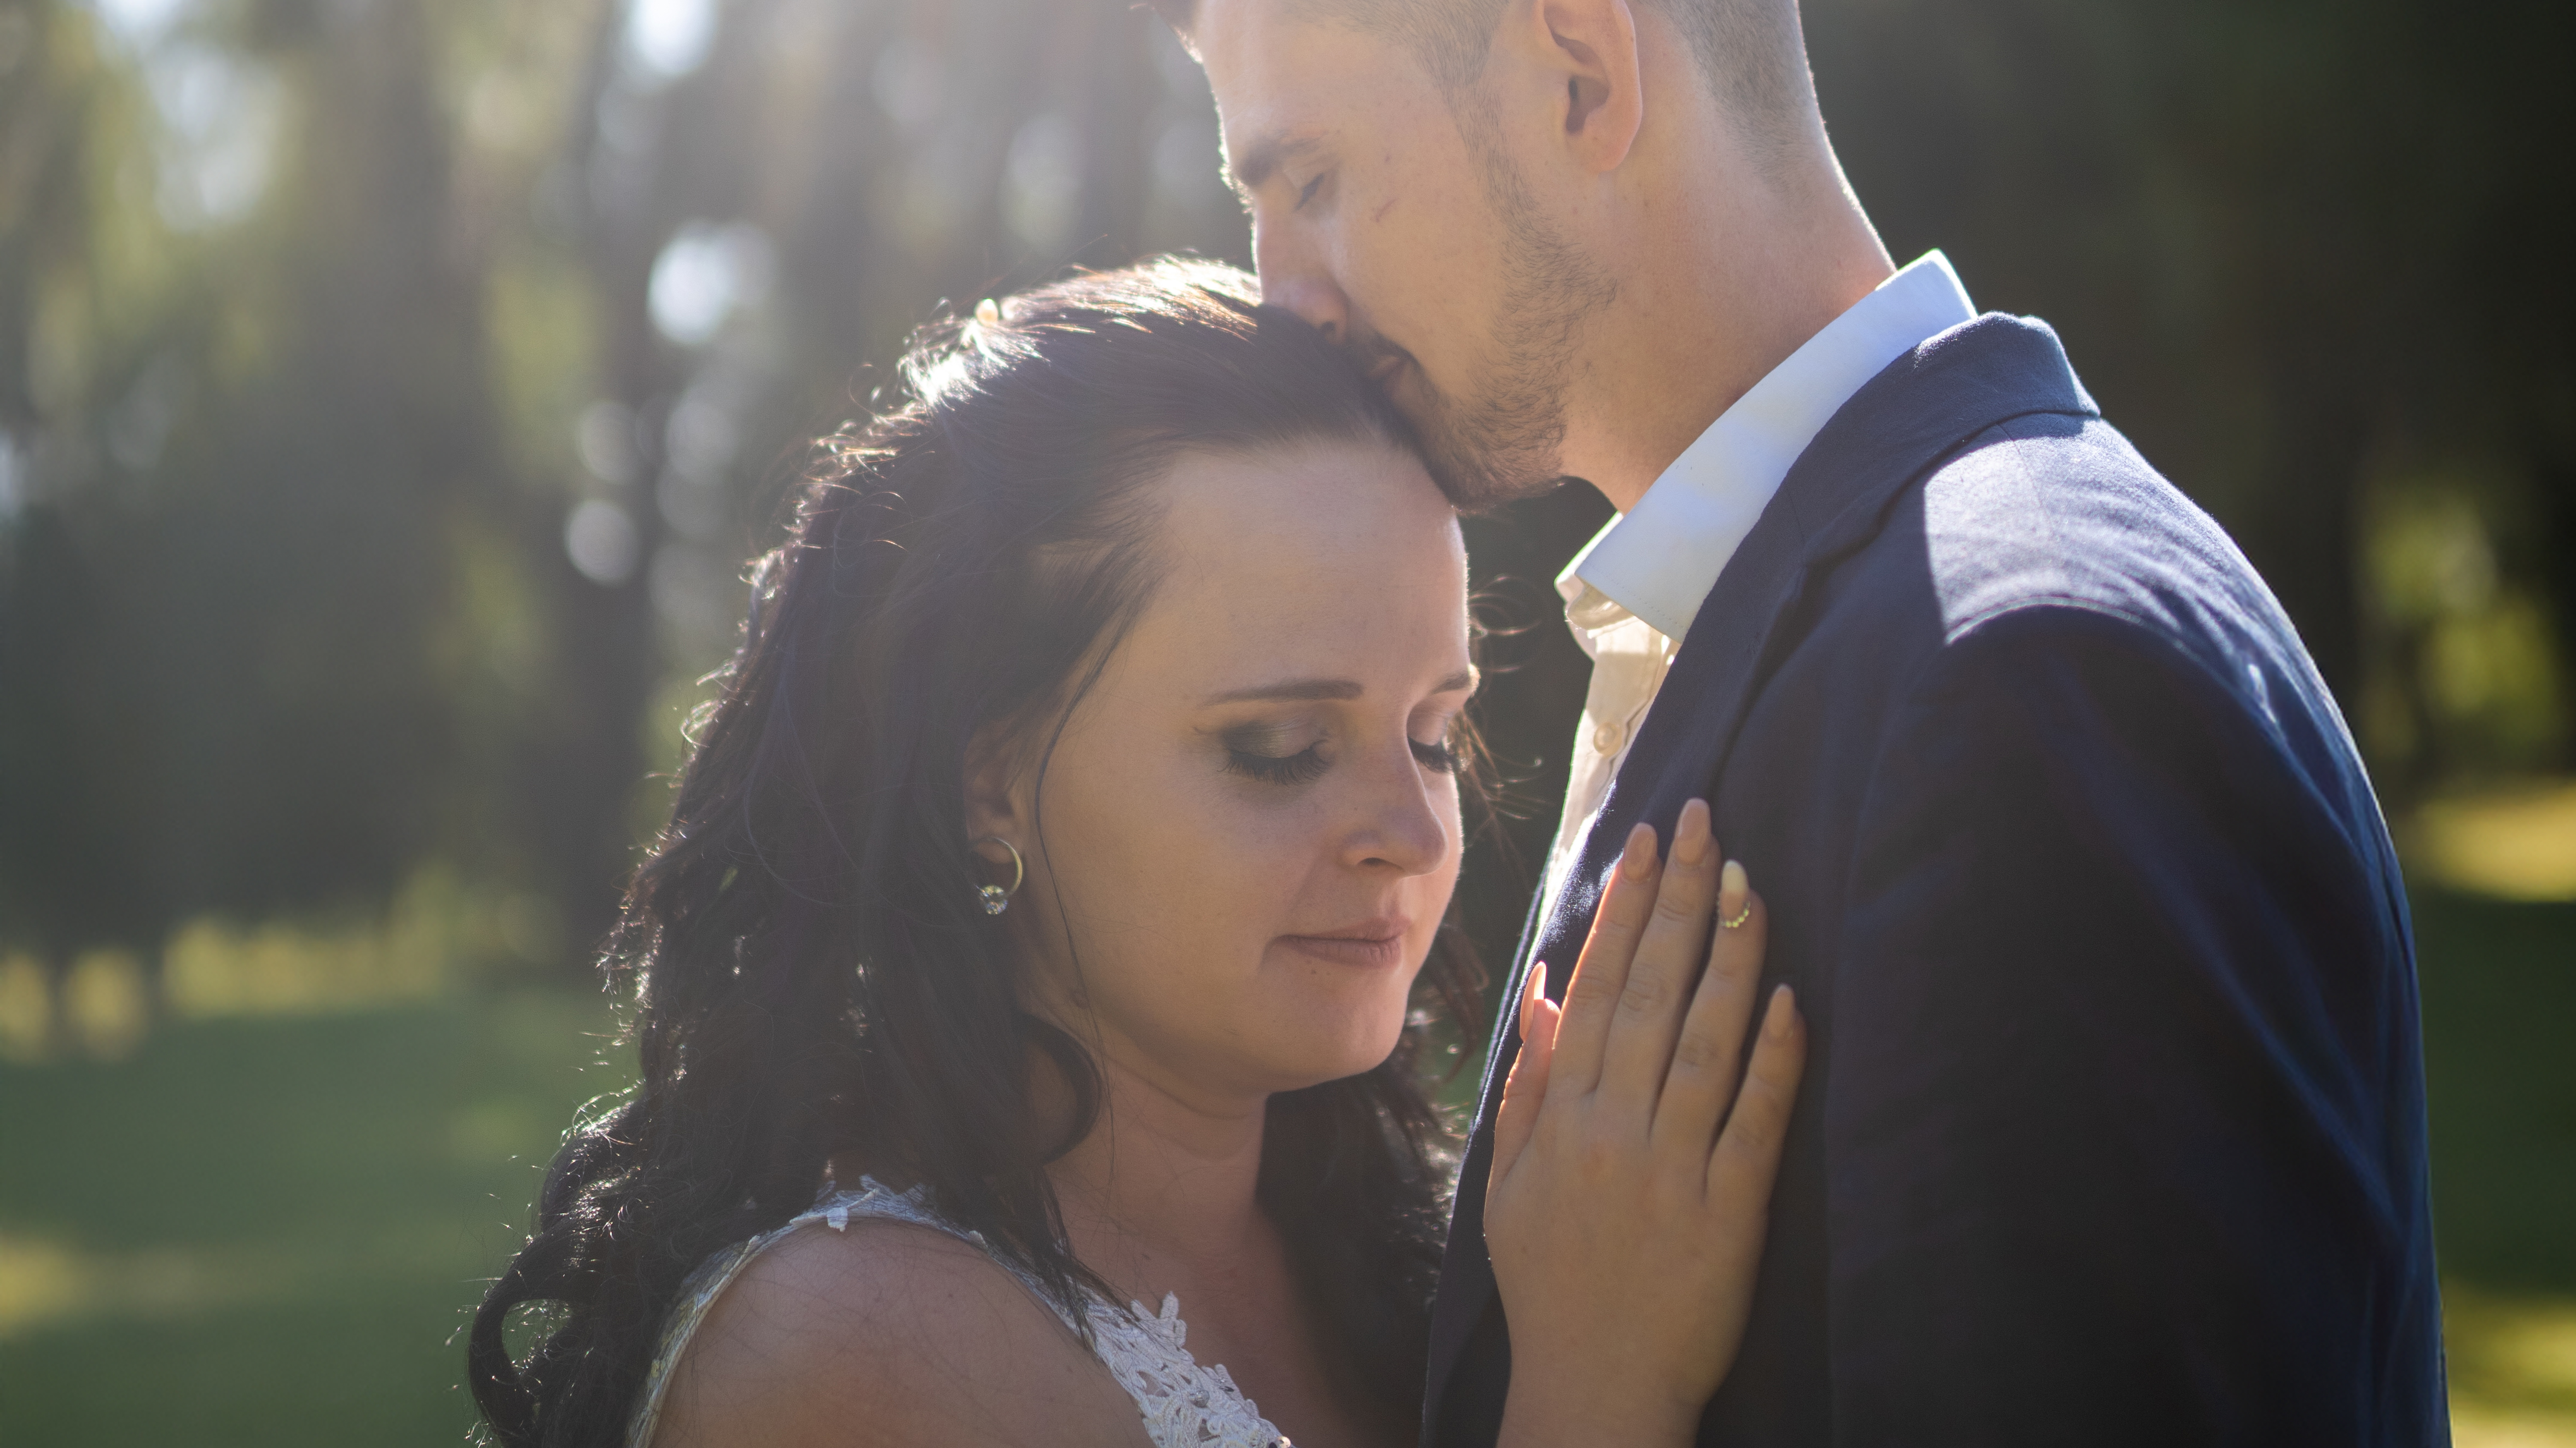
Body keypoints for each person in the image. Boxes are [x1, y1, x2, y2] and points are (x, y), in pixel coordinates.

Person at [1124, 0, 2450, 1445]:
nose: (1283, 297)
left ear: (1578, 80)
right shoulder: (1776, 628)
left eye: (1311, 180)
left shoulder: (2024, 680)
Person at [467, 260, 1806, 1448]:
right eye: (1279, 746)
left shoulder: (1414, 1246)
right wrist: (1595, 1387)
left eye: (1434, 734)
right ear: (982, 777)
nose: (1407, 834)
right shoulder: (843, 1353)